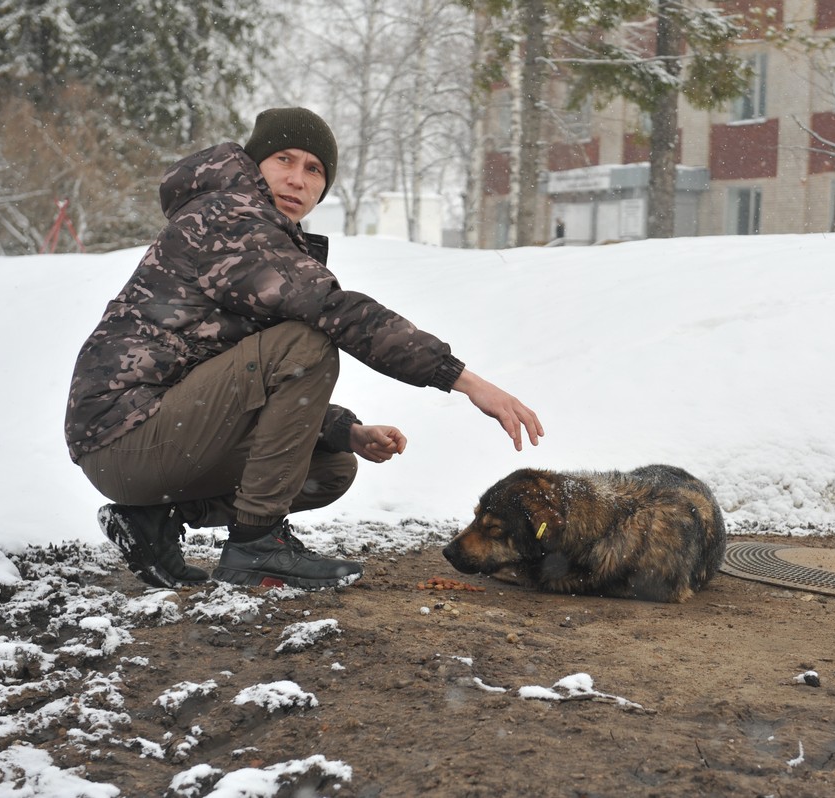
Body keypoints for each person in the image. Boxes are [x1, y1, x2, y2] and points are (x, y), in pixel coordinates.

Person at [65, 107, 543, 591]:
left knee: (331, 466)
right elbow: (336, 312)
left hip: (154, 442)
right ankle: (257, 545)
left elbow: (238, 376)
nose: (297, 179)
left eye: (314, 170)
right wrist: (465, 381)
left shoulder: (258, 228)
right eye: (283, 160)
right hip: (125, 437)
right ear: (255, 165)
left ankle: (154, 521)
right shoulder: (229, 217)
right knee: (307, 340)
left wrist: (343, 429)